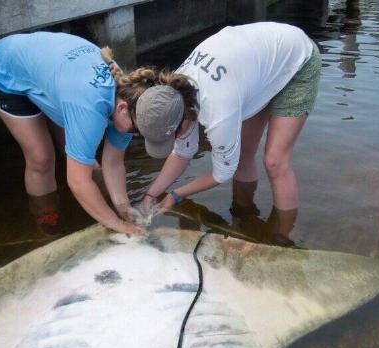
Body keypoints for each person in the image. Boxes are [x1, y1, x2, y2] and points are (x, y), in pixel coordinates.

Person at [0, 31, 188, 236]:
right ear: (122, 109)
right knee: (42, 158)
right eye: (136, 132)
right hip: (6, 71)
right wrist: (117, 225)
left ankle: (102, 204)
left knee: (83, 156)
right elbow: (77, 181)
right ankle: (47, 221)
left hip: (56, 76)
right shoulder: (90, 108)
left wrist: (124, 209)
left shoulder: (135, 102)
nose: (134, 135)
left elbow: (114, 163)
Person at [136, 22, 321, 243]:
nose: (174, 141)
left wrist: (177, 194)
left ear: (185, 119)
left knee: (275, 161)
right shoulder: (172, 94)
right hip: (254, 70)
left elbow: (222, 173)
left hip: (296, 61)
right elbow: (182, 152)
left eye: (173, 135)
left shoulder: (218, 109)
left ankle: (282, 237)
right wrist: (151, 194)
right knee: (243, 154)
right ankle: (245, 216)